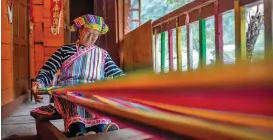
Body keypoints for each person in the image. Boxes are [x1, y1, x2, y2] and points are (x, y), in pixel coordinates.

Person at [30, 14, 125, 137]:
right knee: (74, 102)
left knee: (101, 103)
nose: (91, 37)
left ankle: (103, 130)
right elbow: (48, 69)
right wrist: (39, 83)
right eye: (88, 32)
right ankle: (79, 133)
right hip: (70, 91)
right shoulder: (64, 50)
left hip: (93, 92)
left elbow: (116, 73)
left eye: (95, 35)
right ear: (80, 30)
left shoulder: (102, 54)